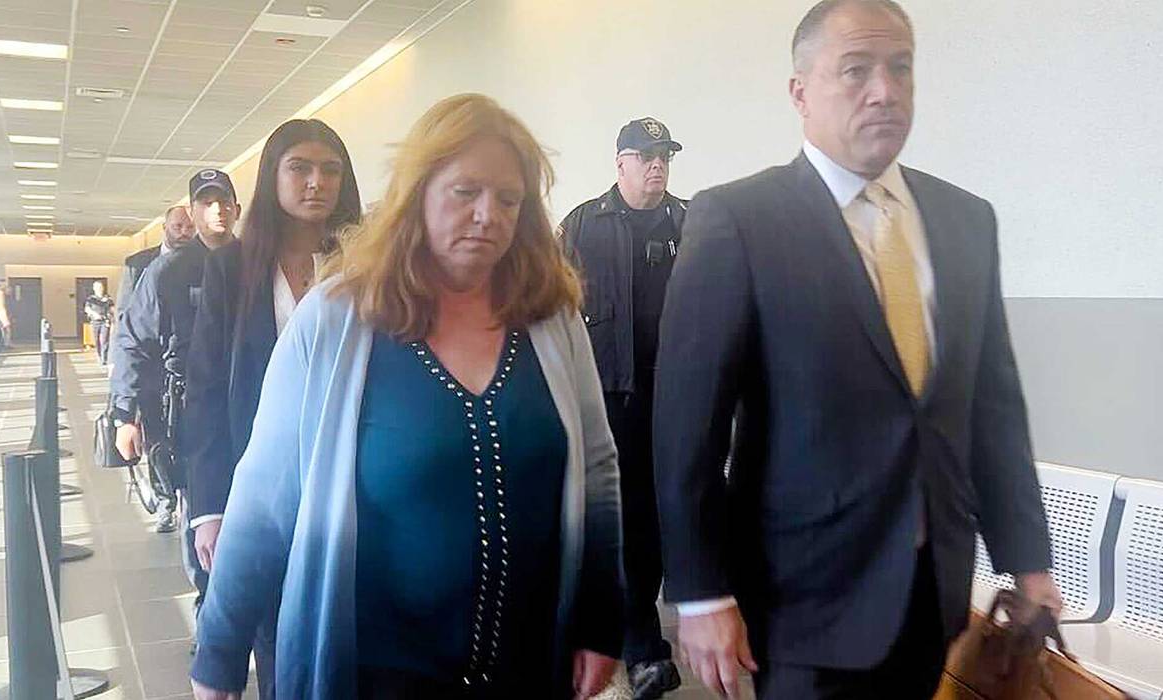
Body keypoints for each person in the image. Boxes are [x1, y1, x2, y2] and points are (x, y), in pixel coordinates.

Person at [652, 2, 1062, 698]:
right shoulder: (739, 220)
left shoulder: (965, 222)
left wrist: (1028, 563)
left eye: (900, 68)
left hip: (931, 595)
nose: (885, 90)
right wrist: (699, 593)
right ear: (799, 92)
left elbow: (992, 411)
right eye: (855, 70)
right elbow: (686, 429)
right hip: (801, 602)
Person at [190, 93, 623, 700]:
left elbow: (598, 474)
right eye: (465, 192)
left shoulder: (550, 319)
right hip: (377, 668)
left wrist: (602, 620)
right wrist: (220, 652)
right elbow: (263, 496)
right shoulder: (339, 318)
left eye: (508, 199)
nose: (487, 215)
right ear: (417, 193)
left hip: (529, 663)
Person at [184, 118, 363, 700]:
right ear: (272, 178)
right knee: (273, 636)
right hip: (259, 482)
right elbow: (207, 389)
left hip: (350, 476)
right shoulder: (232, 266)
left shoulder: (365, 265)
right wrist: (209, 507)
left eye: (330, 170)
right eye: (300, 168)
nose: (317, 182)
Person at [558, 118, 686, 700]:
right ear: (620, 164)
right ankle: (636, 646)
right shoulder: (583, 226)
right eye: (645, 156)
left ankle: (641, 643)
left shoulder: (692, 224)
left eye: (664, 156)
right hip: (608, 402)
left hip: (674, 403)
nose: (657, 165)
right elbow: (553, 313)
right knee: (615, 525)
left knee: (658, 526)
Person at [111, 172, 238, 603]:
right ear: (192, 212)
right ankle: (210, 612)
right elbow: (132, 339)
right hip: (186, 412)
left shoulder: (255, 264)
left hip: (245, 404)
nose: (216, 211)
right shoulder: (169, 271)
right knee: (200, 513)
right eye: (206, 203)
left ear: (237, 210)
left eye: (224, 202)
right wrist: (125, 414)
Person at [116, 205, 195, 319]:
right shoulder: (136, 264)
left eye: (190, 227)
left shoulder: (206, 263)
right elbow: (124, 311)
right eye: (178, 226)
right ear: (164, 227)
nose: (184, 232)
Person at [84, 280, 114, 366]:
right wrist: (94, 314)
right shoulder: (91, 299)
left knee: (105, 340)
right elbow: (87, 309)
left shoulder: (108, 298)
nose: (99, 289)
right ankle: (99, 355)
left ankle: (104, 358)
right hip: (95, 321)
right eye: (97, 287)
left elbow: (112, 309)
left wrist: (112, 319)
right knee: (96, 339)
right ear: (94, 289)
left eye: (100, 287)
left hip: (105, 321)